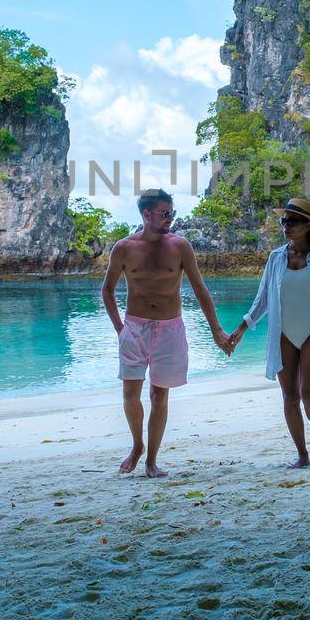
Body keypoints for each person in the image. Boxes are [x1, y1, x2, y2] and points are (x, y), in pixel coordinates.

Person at [101, 188, 235, 477]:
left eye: (172, 213)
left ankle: (151, 459)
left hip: (170, 328)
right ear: (146, 214)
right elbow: (107, 291)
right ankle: (137, 445)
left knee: (159, 396)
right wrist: (120, 330)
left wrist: (216, 331)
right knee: (130, 392)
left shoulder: (180, 246)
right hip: (134, 328)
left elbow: (200, 290)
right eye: (164, 214)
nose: (170, 219)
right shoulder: (124, 248)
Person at [228, 197, 310, 468]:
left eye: (292, 221)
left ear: (308, 226)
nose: (286, 225)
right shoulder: (276, 258)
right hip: (283, 333)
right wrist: (241, 329)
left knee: (308, 393)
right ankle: (302, 454)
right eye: (284, 220)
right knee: (289, 396)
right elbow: (262, 299)